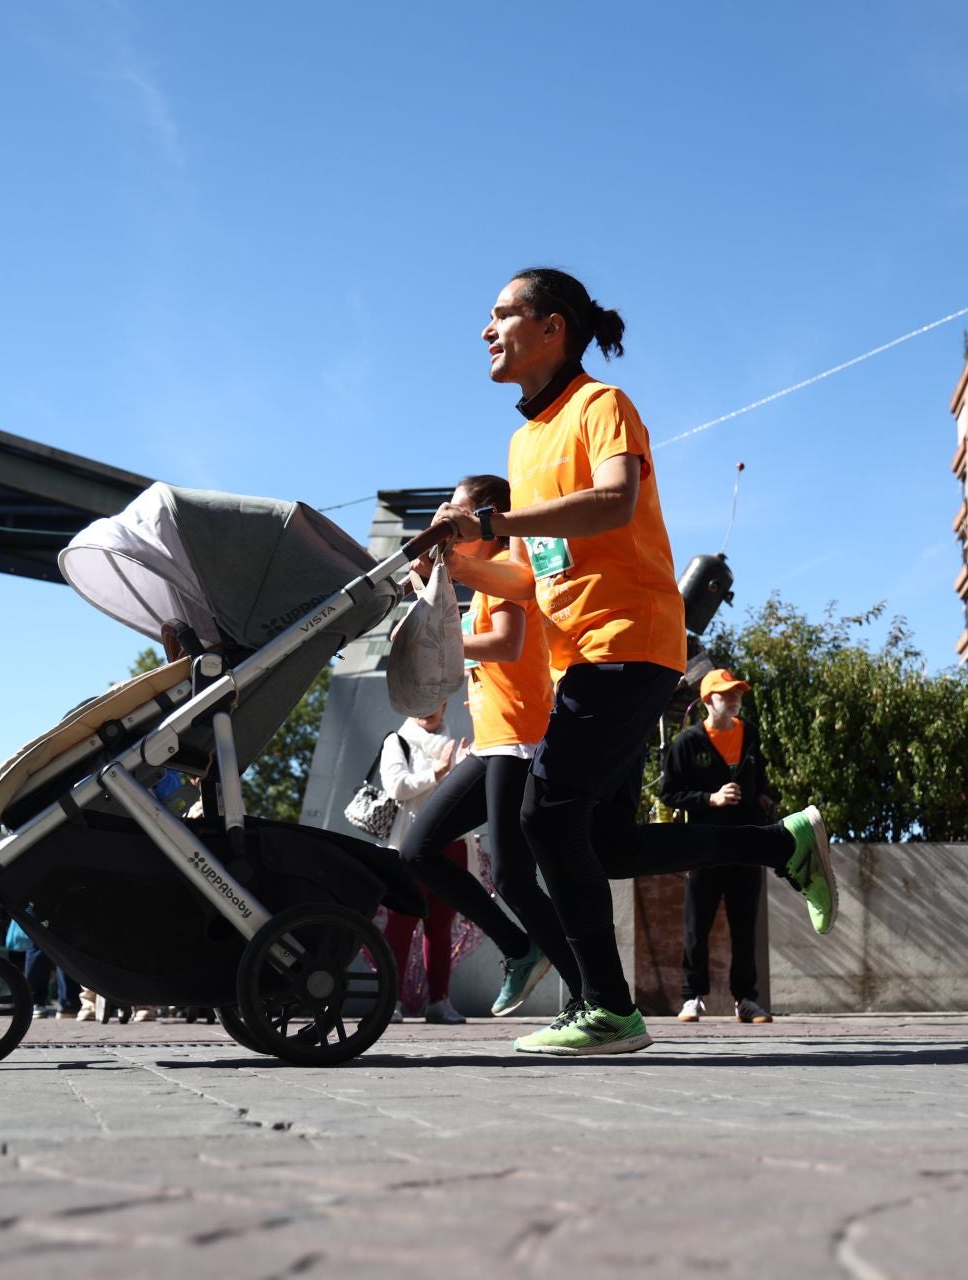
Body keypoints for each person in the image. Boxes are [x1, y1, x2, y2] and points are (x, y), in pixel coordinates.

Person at [434, 267, 836, 1056]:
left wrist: (497, 516)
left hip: (630, 644)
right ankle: (779, 842)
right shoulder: (524, 440)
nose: (485, 330)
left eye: (500, 314)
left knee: (542, 816)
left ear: (552, 328)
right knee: (607, 846)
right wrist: (461, 564)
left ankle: (609, 1009)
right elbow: (539, 569)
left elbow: (614, 500)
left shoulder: (600, 407)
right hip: (580, 656)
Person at [395, 474, 581, 1019]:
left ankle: (586, 991)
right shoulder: (477, 585)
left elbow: (506, 643)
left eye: (453, 511)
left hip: (519, 740)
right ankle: (525, 950)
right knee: (420, 852)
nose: (443, 520)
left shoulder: (508, 575)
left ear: (486, 520)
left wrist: (438, 642)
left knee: (513, 875)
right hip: (491, 742)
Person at [662, 669, 777, 1024]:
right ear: (708, 699)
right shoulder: (688, 743)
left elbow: (766, 784)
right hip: (703, 847)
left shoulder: (751, 735)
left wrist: (763, 800)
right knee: (697, 924)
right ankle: (691, 998)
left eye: (738, 693)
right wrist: (710, 799)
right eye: (726, 693)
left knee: (745, 927)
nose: (735, 699)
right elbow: (670, 793)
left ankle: (746, 1000)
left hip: (745, 845)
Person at [379, 706, 469, 1023]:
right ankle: (388, 1000)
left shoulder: (454, 743)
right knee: (401, 925)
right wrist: (439, 772)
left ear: (446, 705)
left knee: (441, 928)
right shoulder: (398, 741)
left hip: (451, 846)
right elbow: (397, 787)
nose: (428, 709)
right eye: (421, 702)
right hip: (408, 845)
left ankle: (439, 1002)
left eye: (437, 701)